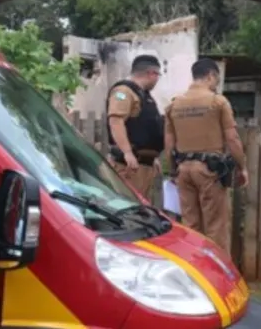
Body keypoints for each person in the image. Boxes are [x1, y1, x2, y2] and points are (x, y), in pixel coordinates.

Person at [164, 58, 249, 255]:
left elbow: (169, 142)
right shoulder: (217, 102)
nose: (216, 84)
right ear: (211, 76)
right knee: (216, 227)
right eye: (216, 80)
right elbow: (232, 138)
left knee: (190, 225)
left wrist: (173, 170)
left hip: (183, 170)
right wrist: (242, 166)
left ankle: (194, 267)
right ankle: (217, 270)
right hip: (210, 171)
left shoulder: (174, 105)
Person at [106, 54, 165, 201]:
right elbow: (116, 121)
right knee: (128, 203)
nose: (157, 80)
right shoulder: (124, 91)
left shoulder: (144, 95)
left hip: (143, 165)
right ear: (151, 73)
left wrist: (152, 157)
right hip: (129, 165)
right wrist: (127, 152)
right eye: (158, 75)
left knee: (142, 206)